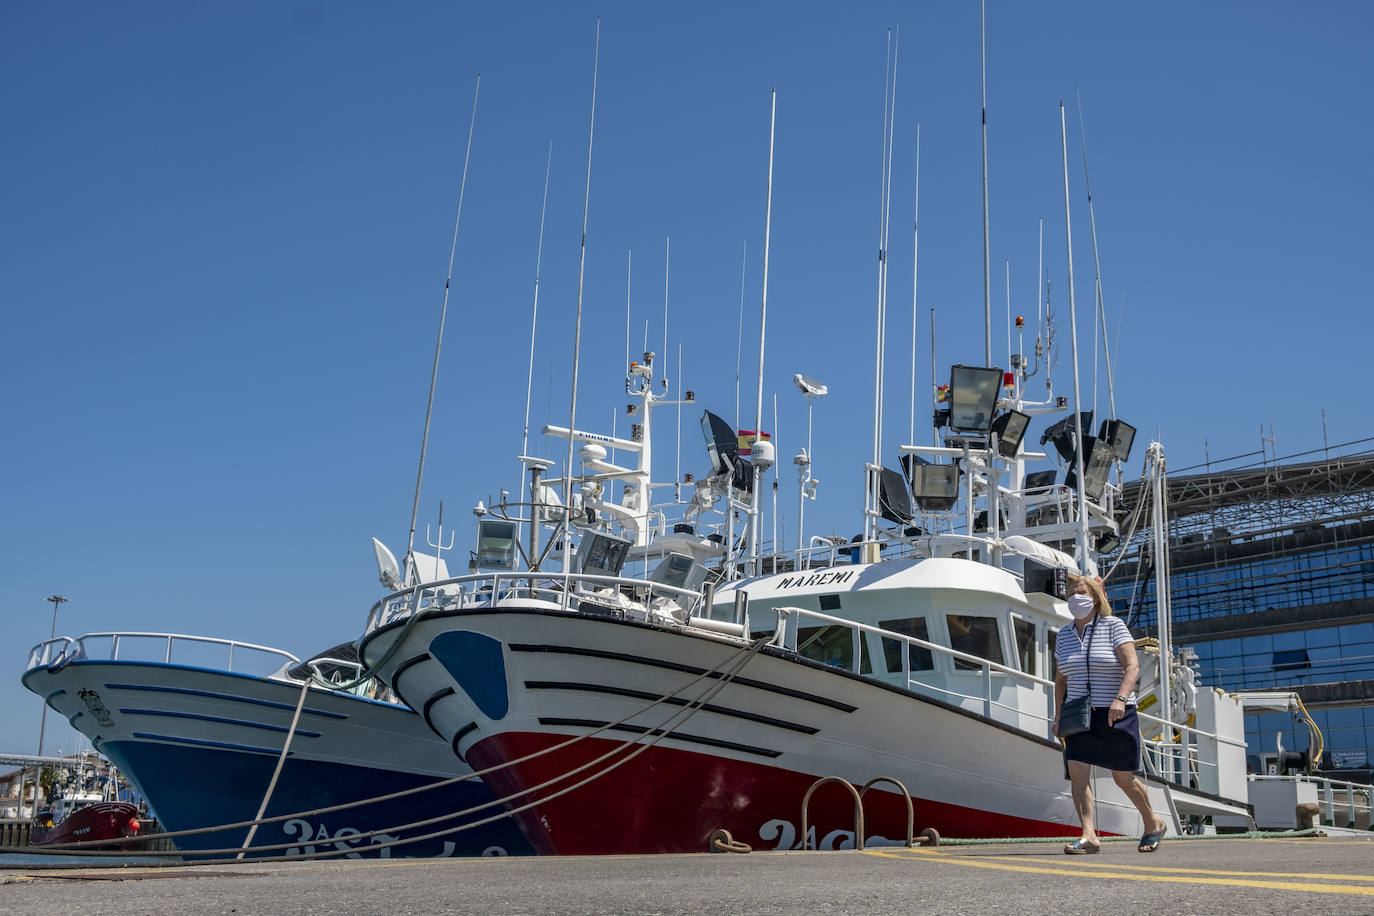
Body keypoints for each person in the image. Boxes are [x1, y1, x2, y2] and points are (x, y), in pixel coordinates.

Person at [1052, 573, 1168, 854]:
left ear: (1095, 597)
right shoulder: (1064, 635)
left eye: (1081, 592)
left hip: (1116, 712)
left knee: (1123, 778)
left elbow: (1132, 666)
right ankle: (1089, 835)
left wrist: (1120, 698)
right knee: (1078, 774)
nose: (1075, 598)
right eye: (1071, 594)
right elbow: (1061, 680)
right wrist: (1057, 717)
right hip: (1078, 714)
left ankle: (1153, 823)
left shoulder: (1113, 626)